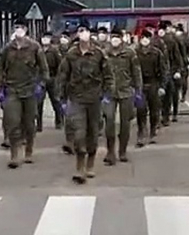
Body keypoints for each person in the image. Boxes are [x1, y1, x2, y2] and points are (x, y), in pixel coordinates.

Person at [57, 19, 115, 184]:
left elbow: (108, 76)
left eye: (85, 31)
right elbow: (62, 76)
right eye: (80, 30)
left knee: (93, 133)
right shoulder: (71, 55)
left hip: (95, 99)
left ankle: (90, 163)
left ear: (90, 34)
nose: (83, 34)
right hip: (76, 99)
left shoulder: (99, 54)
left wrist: (107, 95)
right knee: (79, 134)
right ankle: (79, 168)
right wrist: (61, 98)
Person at [0, 17, 50, 168]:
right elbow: (0, 68)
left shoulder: (34, 47)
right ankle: (14, 154)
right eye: (16, 27)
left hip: (30, 90)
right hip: (12, 89)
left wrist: (42, 84)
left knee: (29, 123)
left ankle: (29, 151)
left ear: (26, 30)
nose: (18, 30)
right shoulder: (8, 48)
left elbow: (44, 68)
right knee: (12, 122)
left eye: (21, 27)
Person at [103, 26, 142, 165]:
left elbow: (136, 72)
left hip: (126, 91)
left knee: (125, 123)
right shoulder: (104, 54)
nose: (115, 40)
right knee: (109, 122)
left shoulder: (130, 53)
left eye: (117, 37)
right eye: (113, 37)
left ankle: (123, 151)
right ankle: (110, 151)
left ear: (121, 39)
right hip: (109, 93)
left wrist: (138, 91)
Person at [135, 29, 168, 146]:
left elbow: (163, 70)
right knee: (140, 110)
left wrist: (162, 86)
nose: (144, 40)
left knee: (154, 110)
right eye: (142, 37)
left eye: (146, 37)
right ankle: (141, 132)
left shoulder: (157, 53)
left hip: (154, 83)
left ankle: (153, 131)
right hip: (139, 84)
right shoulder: (134, 53)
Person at [157, 21, 184, 124]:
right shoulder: (155, 42)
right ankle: (162, 115)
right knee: (161, 96)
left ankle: (169, 114)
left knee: (171, 94)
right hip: (160, 72)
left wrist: (178, 70)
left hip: (171, 70)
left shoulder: (172, 41)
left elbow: (177, 56)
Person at [38, 31, 63, 130]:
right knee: (39, 103)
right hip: (41, 79)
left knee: (55, 101)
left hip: (52, 78)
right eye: (44, 37)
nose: (45, 39)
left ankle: (59, 121)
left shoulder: (54, 51)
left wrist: (58, 78)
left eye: (47, 37)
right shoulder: (38, 50)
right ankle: (39, 124)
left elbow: (60, 65)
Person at [175, 23, 189, 102]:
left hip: (174, 62)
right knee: (184, 79)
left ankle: (176, 95)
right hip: (184, 61)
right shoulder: (186, 38)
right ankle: (183, 95)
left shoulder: (173, 37)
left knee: (176, 80)